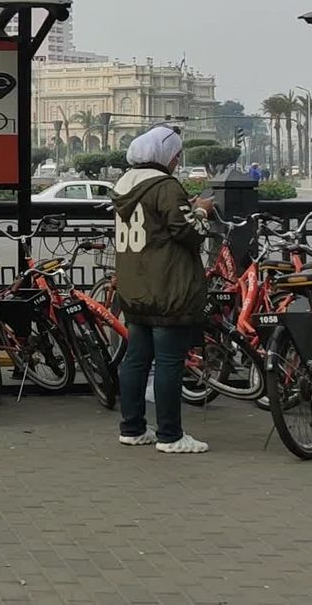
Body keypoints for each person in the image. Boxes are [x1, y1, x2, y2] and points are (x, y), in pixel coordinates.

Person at [112, 125, 214, 454]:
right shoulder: (165, 186)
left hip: (134, 287)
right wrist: (201, 210)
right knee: (170, 361)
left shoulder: (123, 185)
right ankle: (170, 435)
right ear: (163, 155)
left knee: (136, 359)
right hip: (167, 287)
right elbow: (190, 232)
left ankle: (132, 427)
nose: (177, 161)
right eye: (176, 155)